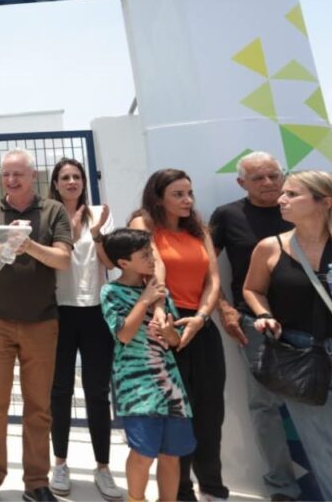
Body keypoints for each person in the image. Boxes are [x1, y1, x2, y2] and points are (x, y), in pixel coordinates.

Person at [0, 148, 73, 502]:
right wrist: (5, 244)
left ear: (33, 176)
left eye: (18, 174)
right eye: (6, 174)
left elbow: (63, 259)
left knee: (38, 408)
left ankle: (36, 482)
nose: (12, 180)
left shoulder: (53, 210)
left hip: (42, 323)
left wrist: (28, 244)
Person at [130, 169, 227, 501]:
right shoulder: (143, 224)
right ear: (159, 198)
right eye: (178, 194)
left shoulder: (199, 230)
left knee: (210, 412)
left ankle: (212, 488)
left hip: (200, 324)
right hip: (163, 325)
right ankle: (181, 492)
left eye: (189, 193)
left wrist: (200, 318)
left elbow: (213, 279)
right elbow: (153, 268)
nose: (187, 200)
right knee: (177, 416)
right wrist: (161, 309)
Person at [209, 152, 299, 500]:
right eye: (258, 178)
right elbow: (206, 266)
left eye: (274, 176)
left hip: (311, 321)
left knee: (321, 403)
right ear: (241, 183)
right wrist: (223, 308)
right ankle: (283, 488)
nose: (269, 184)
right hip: (255, 322)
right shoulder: (228, 216)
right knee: (265, 406)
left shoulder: (302, 209)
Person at [243, 170, 332, 501]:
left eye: (292, 194)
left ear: (325, 203)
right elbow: (253, 289)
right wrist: (264, 314)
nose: (282, 199)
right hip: (301, 357)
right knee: (324, 446)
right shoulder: (270, 247)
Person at [45, 158, 122, 500]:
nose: (72, 181)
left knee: (97, 392)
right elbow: (54, 257)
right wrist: (74, 231)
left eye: (77, 176)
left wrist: (96, 233)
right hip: (59, 311)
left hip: (95, 313)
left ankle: (103, 467)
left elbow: (110, 263)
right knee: (60, 390)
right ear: (55, 183)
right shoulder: (48, 214)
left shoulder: (99, 212)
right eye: (65, 177)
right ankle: (60, 462)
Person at [100, 228, 195, 502]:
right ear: (123, 263)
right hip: (137, 387)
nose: (152, 258)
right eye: (144, 254)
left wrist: (169, 333)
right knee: (143, 453)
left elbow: (175, 341)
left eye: (151, 252)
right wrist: (145, 301)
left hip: (171, 386)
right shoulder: (111, 292)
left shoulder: (160, 293)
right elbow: (123, 334)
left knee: (172, 454)